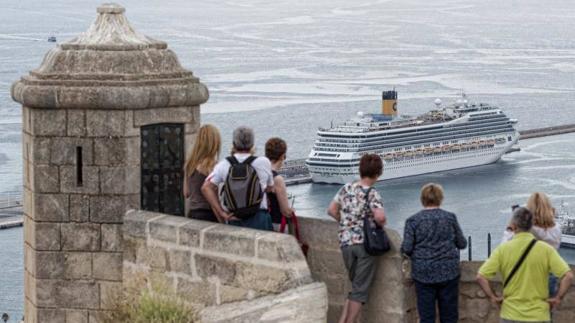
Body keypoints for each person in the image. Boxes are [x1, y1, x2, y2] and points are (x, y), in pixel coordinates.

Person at [477, 207, 573, 323]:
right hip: (538, 315)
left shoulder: (502, 249)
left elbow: (481, 276)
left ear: (513, 225)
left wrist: (493, 297)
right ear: (532, 225)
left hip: (510, 314)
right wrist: (558, 298)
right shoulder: (546, 249)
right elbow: (568, 276)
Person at [327, 154, 386, 323]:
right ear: (378, 173)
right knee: (360, 290)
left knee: (356, 285)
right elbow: (380, 218)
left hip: (345, 244)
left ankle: (343, 320)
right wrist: (379, 223)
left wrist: (346, 223)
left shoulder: (346, 188)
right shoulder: (373, 193)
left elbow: (331, 210)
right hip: (364, 245)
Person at [400, 183, 467, 323]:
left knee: (427, 317)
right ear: (440, 198)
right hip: (449, 272)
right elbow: (462, 244)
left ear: (422, 199)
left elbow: (406, 248)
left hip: (423, 273)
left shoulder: (413, 221)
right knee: (449, 316)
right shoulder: (450, 218)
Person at [201, 126, 274, 231]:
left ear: (234, 144)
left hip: (234, 218)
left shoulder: (224, 164)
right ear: (252, 144)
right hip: (259, 217)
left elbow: (206, 188)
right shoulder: (263, 162)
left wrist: (221, 212)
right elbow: (270, 188)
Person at [183, 124, 221, 222]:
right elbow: (214, 197)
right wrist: (222, 219)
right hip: (208, 215)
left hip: (193, 213)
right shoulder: (212, 165)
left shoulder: (189, 163)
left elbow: (186, 192)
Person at [265, 137, 294, 231]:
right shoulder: (277, 179)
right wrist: (291, 210)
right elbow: (285, 211)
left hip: (264, 221)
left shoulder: (261, 174)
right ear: (282, 156)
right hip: (276, 223)